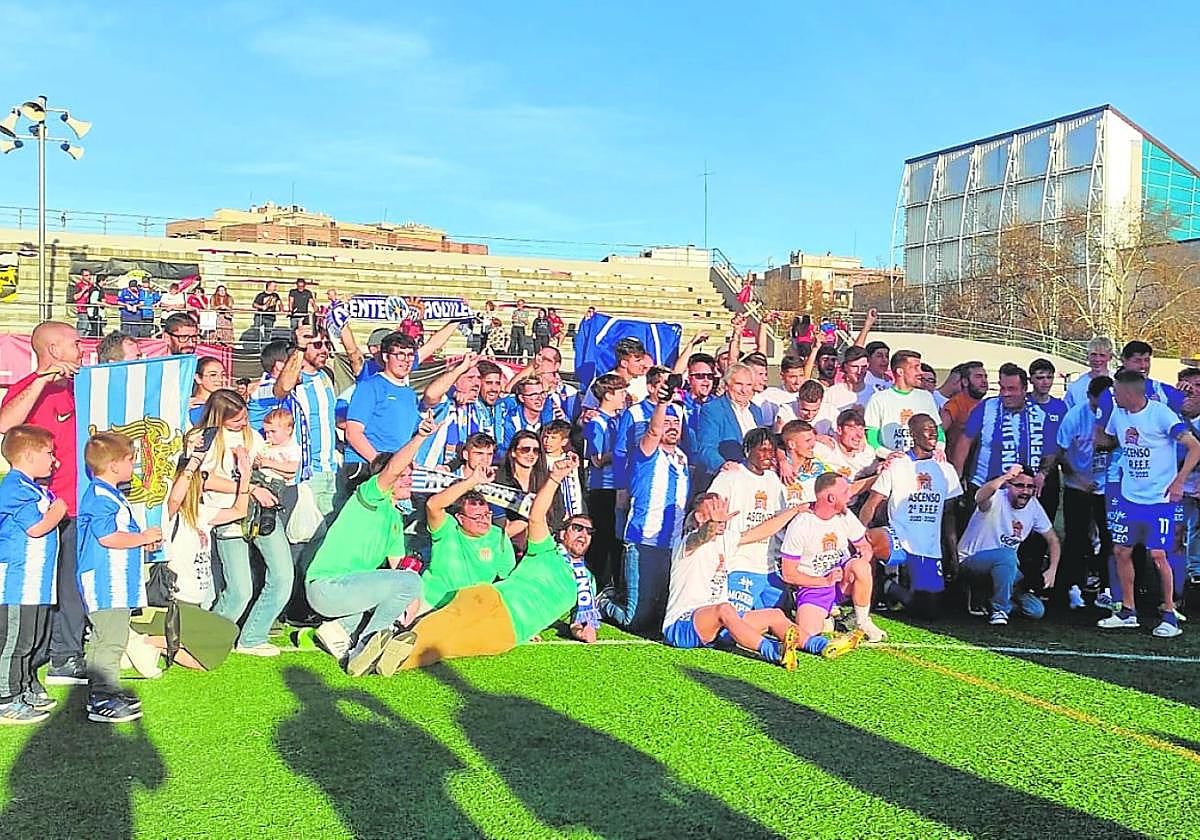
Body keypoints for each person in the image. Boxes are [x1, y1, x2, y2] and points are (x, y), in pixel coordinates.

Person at [378, 455, 598, 674]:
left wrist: (581, 632)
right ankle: (388, 643)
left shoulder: (586, 582)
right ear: (561, 533)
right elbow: (537, 515)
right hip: (481, 599)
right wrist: (554, 478)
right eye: (577, 528)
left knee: (447, 646)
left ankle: (388, 661)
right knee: (445, 623)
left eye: (589, 532)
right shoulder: (546, 550)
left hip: (511, 631)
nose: (583, 534)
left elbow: (580, 620)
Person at [304, 416, 436, 675]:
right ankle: (365, 647)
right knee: (409, 583)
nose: (409, 480)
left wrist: (413, 604)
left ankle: (341, 632)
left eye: (410, 475)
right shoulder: (370, 497)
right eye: (404, 475)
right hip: (327, 587)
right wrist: (420, 436)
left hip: (347, 590)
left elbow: (400, 570)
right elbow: (391, 470)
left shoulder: (394, 516)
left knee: (408, 585)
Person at [0, 321, 86, 686]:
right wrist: (41, 380)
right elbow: (5, 424)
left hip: (81, 505)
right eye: (75, 344)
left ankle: (65, 657)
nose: (82, 350)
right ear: (53, 350)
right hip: (45, 508)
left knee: (73, 586)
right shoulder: (29, 389)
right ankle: (23, 671)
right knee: (38, 589)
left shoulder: (83, 386)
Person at [1096, 370, 1200, 638]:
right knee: (1122, 551)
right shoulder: (1118, 414)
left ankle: (1169, 614)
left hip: (1160, 499)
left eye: (1116, 392)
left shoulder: (1161, 414)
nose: (1113, 396)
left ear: (1129, 393)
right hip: (1130, 496)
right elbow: (1107, 438)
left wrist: (1179, 481)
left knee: (1158, 555)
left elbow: (1195, 447)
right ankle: (1127, 611)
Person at [192, 390, 292, 656]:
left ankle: (253, 636)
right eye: (236, 419)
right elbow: (204, 479)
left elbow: (266, 467)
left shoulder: (252, 436)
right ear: (220, 416)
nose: (243, 423)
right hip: (227, 515)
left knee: (283, 575)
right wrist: (246, 488)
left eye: (245, 417)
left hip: (261, 513)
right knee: (239, 590)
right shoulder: (206, 439)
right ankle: (203, 641)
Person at [77, 431, 163, 723]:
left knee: (114, 636)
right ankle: (101, 696)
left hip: (116, 581)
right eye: (130, 461)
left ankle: (107, 690)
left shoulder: (110, 493)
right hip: (105, 581)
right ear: (114, 465)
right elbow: (108, 537)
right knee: (108, 639)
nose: (133, 467)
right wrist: (141, 537)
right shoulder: (101, 496)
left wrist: (141, 540)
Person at [662, 495, 808, 666]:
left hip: (718, 625)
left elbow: (761, 531)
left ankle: (821, 645)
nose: (722, 517)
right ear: (699, 517)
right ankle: (775, 651)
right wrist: (712, 524)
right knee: (725, 609)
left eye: (723, 511)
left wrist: (794, 511)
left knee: (774, 615)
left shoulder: (726, 539)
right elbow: (701, 537)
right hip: (681, 625)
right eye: (715, 512)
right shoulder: (686, 542)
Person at [600, 398, 690, 634]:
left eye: (676, 423)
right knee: (635, 621)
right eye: (667, 422)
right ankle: (603, 601)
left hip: (672, 545)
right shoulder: (647, 452)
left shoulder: (682, 458)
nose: (672, 427)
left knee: (660, 617)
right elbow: (653, 431)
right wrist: (662, 403)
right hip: (644, 541)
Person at [858, 414, 961, 616]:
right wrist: (859, 537)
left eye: (935, 429)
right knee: (869, 542)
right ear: (913, 434)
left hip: (928, 548)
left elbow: (949, 517)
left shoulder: (946, 470)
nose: (933, 433)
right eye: (927, 429)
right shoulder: (897, 464)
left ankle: (890, 588)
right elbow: (872, 504)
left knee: (927, 612)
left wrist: (953, 554)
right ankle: (868, 597)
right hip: (897, 536)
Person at [0, 425, 69, 723]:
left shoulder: (36, 488)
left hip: (37, 582)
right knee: (14, 641)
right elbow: (36, 527)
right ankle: (5, 698)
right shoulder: (14, 487)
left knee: (33, 638)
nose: (54, 461)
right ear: (28, 455)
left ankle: (23, 686)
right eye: (49, 453)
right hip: (18, 582)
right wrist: (58, 510)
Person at [778, 472, 873, 654]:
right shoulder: (802, 524)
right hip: (814, 587)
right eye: (845, 492)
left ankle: (863, 623)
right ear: (831, 498)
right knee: (807, 634)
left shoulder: (845, 515)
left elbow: (865, 546)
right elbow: (789, 573)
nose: (850, 495)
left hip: (841, 580)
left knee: (861, 567)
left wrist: (862, 559)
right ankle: (829, 619)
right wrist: (825, 581)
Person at [958, 465, 1059, 625]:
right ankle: (999, 610)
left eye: (1030, 487)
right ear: (1008, 486)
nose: (1025, 491)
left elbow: (1053, 540)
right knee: (1007, 555)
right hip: (971, 562)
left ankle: (987, 600)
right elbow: (979, 497)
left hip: (1005, 567)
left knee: (1036, 610)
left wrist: (1052, 570)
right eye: (1019, 486)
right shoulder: (996, 497)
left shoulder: (1033, 506)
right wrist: (1005, 477)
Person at [706, 428, 788, 613]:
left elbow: (779, 518)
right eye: (762, 450)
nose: (768, 455)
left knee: (778, 618)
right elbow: (710, 506)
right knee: (731, 629)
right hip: (739, 563)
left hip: (768, 566)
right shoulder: (730, 477)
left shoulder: (773, 479)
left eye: (771, 450)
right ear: (747, 450)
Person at [417, 466, 518, 615]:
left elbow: (508, 581)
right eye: (477, 517)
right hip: (432, 602)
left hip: (469, 608)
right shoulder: (447, 529)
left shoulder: (498, 536)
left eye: (487, 514)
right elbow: (433, 505)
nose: (484, 521)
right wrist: (473, 480)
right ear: (460, 518)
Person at [164, 440, 251, 609]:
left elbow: (239, 511)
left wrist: (245, 477)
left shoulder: (201, 512)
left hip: (197, 599)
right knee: (223, 634)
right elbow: (175, 499)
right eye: (202, 477)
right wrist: (194, 462)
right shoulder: (171, 516)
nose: (206, 481)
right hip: (176, 599)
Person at [1057, 375, 1113, 609]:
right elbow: (1059, 452)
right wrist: (1078, 478)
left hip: (1107, 486)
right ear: (1091, 397)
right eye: (1103, 399)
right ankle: (1073, 587)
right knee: (1076, 538)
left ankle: (1107, 588)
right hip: (1077, 486)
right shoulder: (1075, 416)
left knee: (1110, 538)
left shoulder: (1117, 415)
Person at [583, 373, 627, 586]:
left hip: (619, 487)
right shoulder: (596, 423)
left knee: (617, 540)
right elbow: (597, 459)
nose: (624, 396)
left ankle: (616, 587)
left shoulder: (619, 419)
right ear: (608, 395)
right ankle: (594, 588)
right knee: (602, 542)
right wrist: (623, 452)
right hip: (603, 488)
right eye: (620, 392)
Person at [694, 363, 765, 489]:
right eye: (739, 384)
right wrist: (721, 464)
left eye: (748, 385)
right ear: (726, 386)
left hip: (753, 479)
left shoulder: (756, 410)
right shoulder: (713, 409)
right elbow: (706, 448)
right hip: (725, 479)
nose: (744, 390)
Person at [864, 350, 941, 456]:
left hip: (923, 460)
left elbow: (939, 430)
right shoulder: (878, 399)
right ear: (900, 372)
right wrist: (888, 455)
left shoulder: (926, 397)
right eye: (915, 367)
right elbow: (871, 436)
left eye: (920, 367)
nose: (920, 372)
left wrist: (939, 449)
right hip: (890, 462)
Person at [941, 361, 987, 455]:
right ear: (965, 382)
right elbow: (940, 431)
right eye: (978, 377)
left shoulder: (988, 404)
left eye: (985, 376)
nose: (984, 381)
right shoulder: (954, 404)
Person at [1064, 336, 1114, 409]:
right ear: (1088, 356)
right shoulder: (1076, 386)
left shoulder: (1118, 383)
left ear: (1110, 357)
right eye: (1093, 354)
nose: (1097, 359)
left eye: (1102, 355)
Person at [823, 346, 872, 413]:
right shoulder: (831, 393)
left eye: (864, 367)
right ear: (845, 367)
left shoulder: (874, 394)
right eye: (855, 366)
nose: (859, 371)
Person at [188, 357, 228, 426]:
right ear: (198, 378)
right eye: (213, 375)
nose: (220, 379)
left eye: (223, 374)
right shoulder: (191, 406)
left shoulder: (228, 403)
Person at [74, 270, 104, 338]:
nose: (89, 277)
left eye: (89, 275)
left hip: (91, 310)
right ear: (82, 276)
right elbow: (75, 297)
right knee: (83, 327)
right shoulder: (78, 285)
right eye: (86, 275)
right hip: (83, 310)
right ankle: (79, 340)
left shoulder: (92, 286)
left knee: (90, 328)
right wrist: (83, 290)